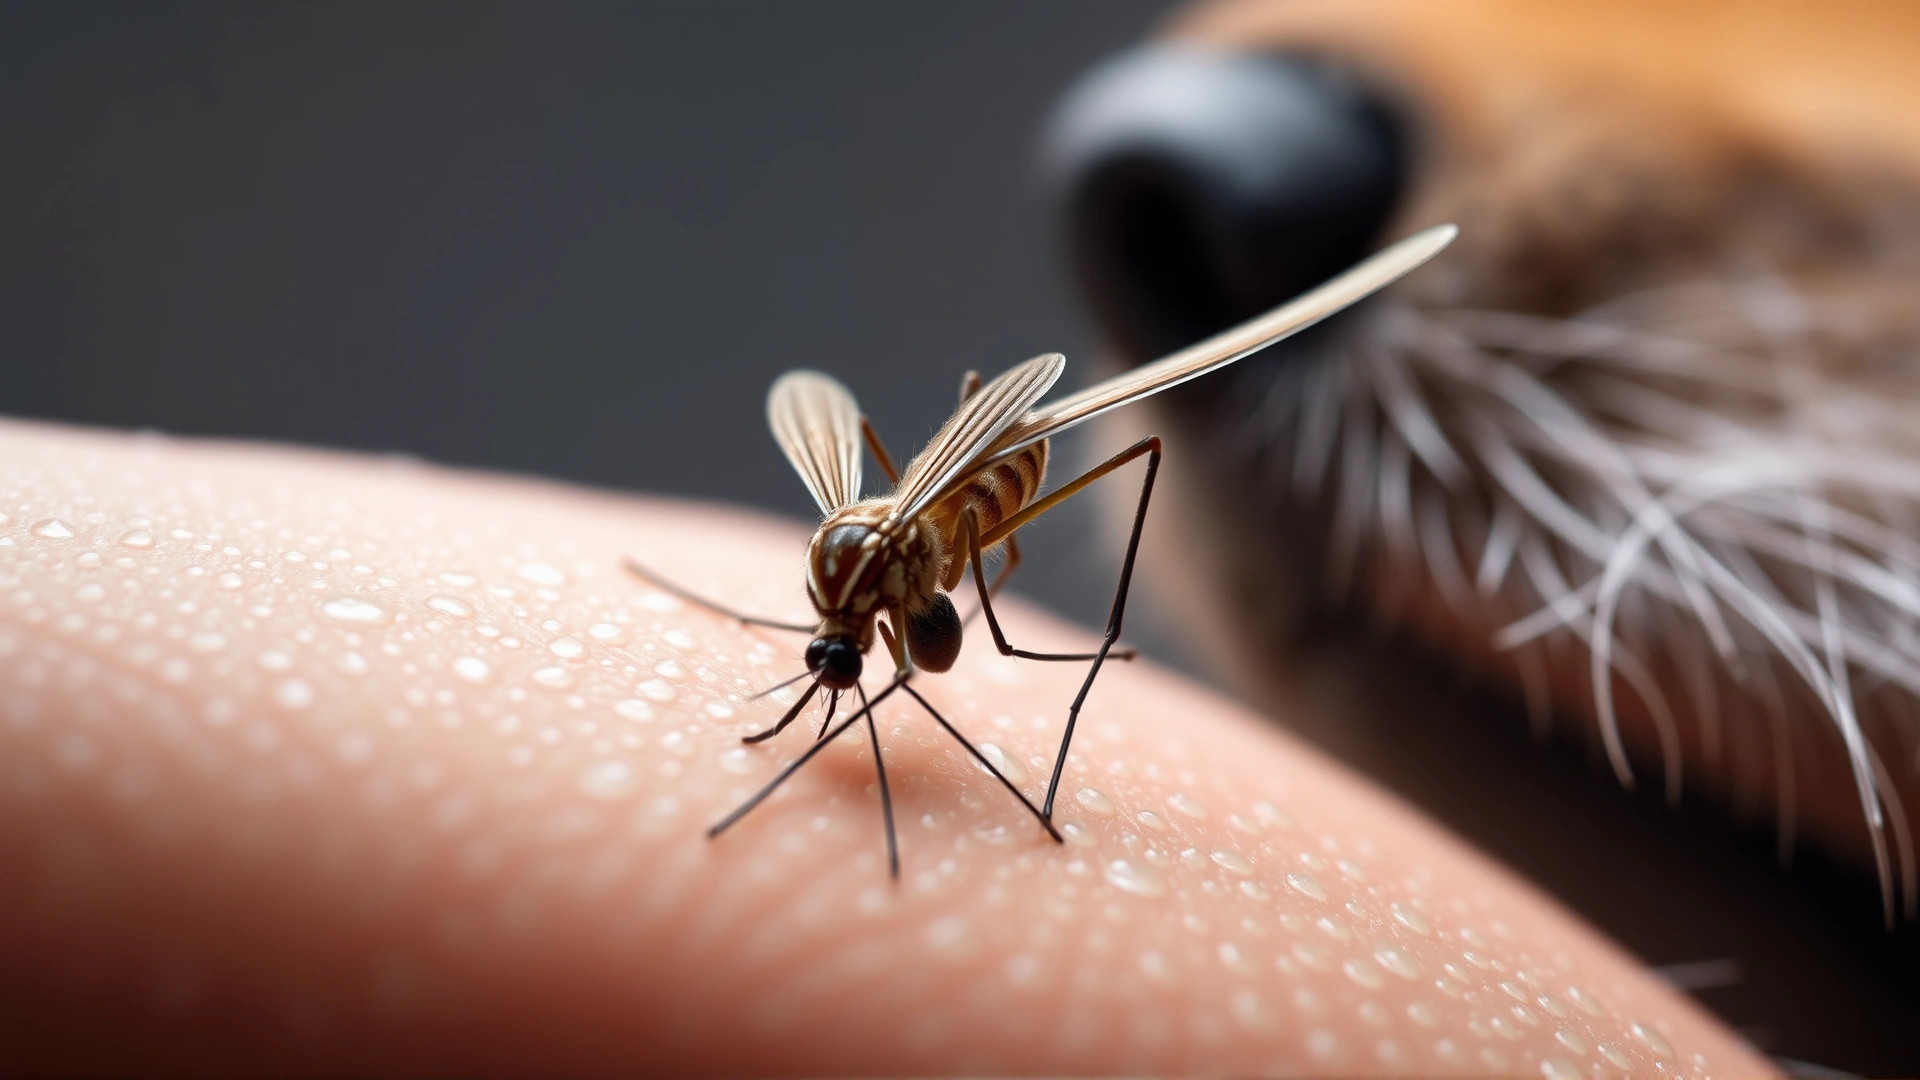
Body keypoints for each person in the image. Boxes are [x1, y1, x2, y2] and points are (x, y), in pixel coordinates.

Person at [0, 417, 1765, 1075]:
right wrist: (840, 652)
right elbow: (835, 510)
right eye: (859, 647)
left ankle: (1041, 671)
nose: (861, 664)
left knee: (1047, 557)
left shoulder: (916, 570)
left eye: (856, 648)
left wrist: (1000, 656)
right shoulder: (853, 592)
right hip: (907, 525)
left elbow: (894, 575)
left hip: (962, 489)